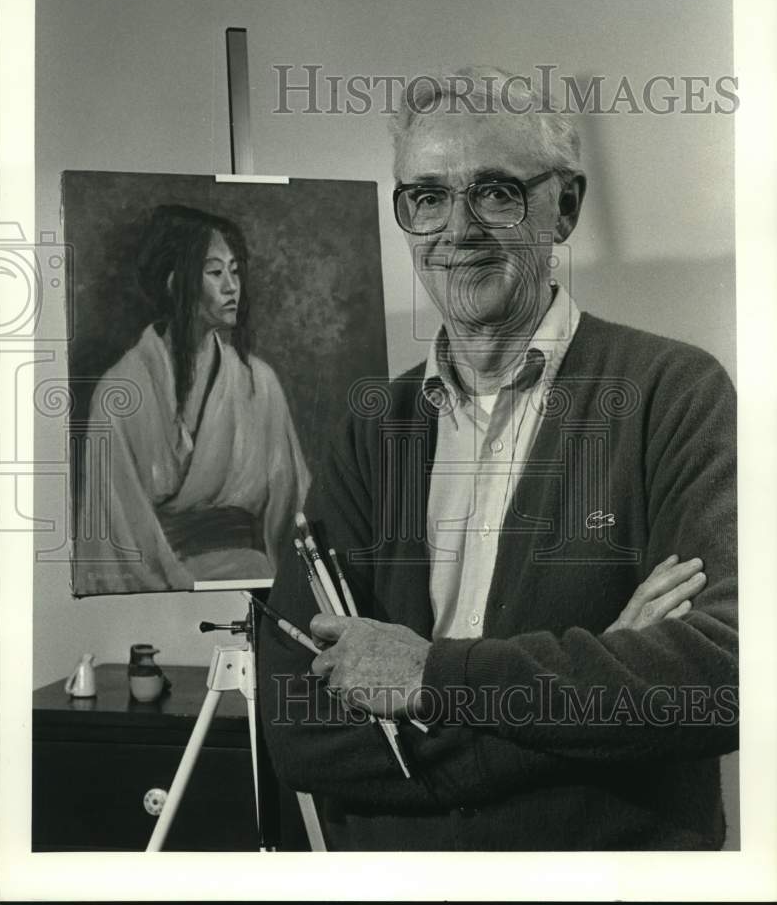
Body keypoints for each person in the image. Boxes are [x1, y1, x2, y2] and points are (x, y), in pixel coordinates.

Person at [259, 68, 738, 850]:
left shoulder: (672, 393)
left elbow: (716, 682)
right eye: (426, 196)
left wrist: (428, 681)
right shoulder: (373, 428)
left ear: (565, 208)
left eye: (495, 192)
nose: (456, 230)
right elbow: (297, 731)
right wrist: (596, 685)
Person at [73, 204, 310, 594]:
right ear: (173, 282)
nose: (232, 286)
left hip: (257, 585)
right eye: (216, 272)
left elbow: (294, 507)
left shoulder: (259, 383)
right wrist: (177, 588)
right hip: (157, 593)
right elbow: (113, 528)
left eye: (235, 271)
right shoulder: (120, 390)